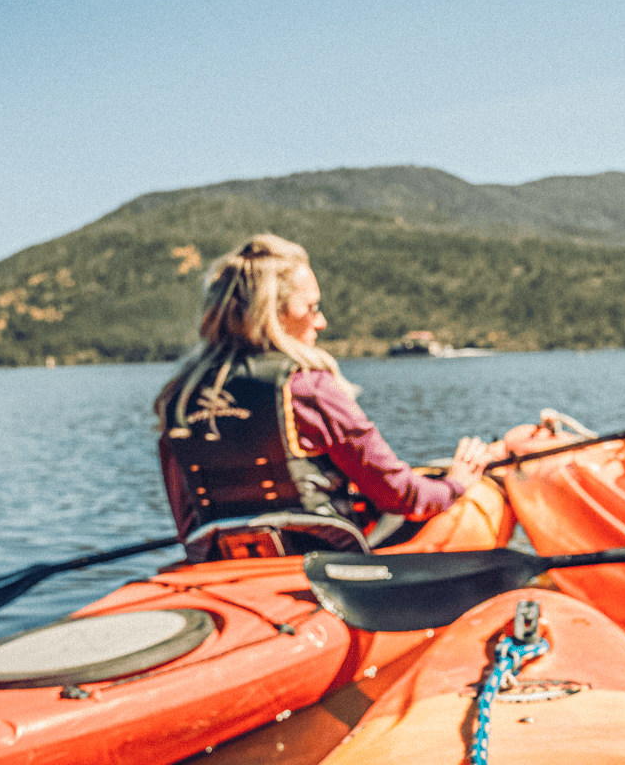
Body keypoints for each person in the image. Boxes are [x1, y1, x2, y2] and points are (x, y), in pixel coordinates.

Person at [155, 234, 487, 562]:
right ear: (273, 313)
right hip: (322, 560)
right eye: (312, 308)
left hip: (223, 561)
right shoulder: (306, 387)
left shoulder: (177, 398)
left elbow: (187, 526)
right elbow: (400, 496)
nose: (321, 322)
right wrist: (456, 484)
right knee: (475, 499)